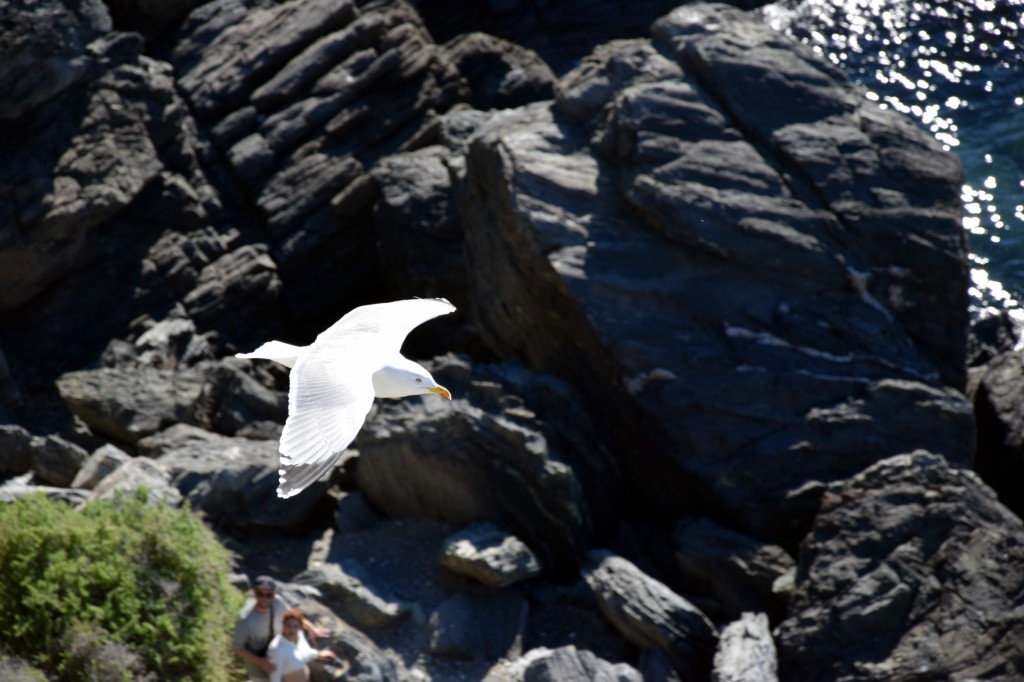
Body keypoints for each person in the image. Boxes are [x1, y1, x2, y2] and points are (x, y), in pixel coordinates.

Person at [231, 576, 330, 681]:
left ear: (274, 594)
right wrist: (261, 662)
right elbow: (237, 648)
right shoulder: (245, 619)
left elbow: (292, 616)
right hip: (258, 661)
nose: (264, 599)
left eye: (268, 595)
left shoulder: (277, 602)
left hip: (280, 650)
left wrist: (312, 629)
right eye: (260, 594)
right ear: (254, 593)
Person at [267, 607, 348, 682]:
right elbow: (275, 677)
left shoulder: (299, 635)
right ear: (283, 625)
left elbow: (303, 651)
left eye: (295, 626)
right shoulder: (276, 649)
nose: (291, 630)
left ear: (300, 627)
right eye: (288, 626)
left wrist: (318, 654)